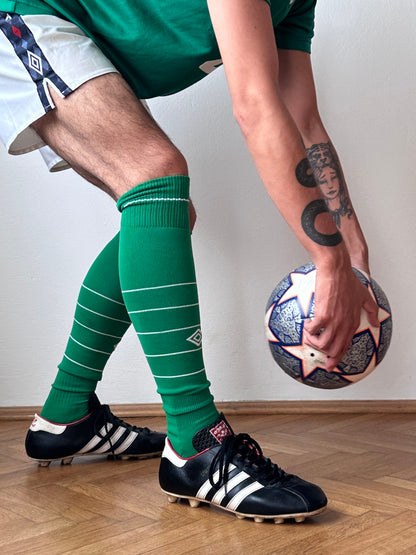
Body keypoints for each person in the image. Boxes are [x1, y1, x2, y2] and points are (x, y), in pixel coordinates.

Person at [0, 0, 379, 523]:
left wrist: (354, 255)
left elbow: (303, 120)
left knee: (166, 210)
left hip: (74, 26)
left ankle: (65, 415)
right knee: (155, 177)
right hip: (25, 12)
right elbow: (254, 106)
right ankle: (196, 444)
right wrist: (328, 263)